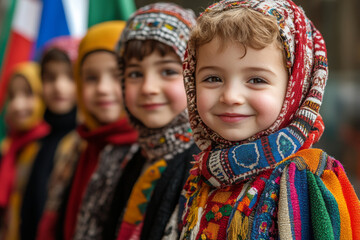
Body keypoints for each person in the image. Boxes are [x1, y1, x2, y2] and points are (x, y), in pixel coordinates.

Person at [179, 0, 360, 239]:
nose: (231, 96)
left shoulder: (306, 181)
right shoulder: (203, 173)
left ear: (296, 89)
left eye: (256, 80)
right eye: (213, 78)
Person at [37, 21, 138, 240]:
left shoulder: (146, 151)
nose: (102, 88)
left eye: (117, 74)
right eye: (91, 78)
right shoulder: (78, 145)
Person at [115, 3, 198, 240]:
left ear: (193, 75)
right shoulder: (136, 157)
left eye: (168, 71)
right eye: (135, 74)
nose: (148, 88)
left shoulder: (204, 168)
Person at [20, 36, 79, 240]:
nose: (59, 86)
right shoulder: (38, 143)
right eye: (50, 77)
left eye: (70, 76)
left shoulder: (83, 143)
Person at [0, 62, 49, 239]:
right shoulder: (7, 149)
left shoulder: (49, 149)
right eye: (12, 96)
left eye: (28, 94)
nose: (18, 105)